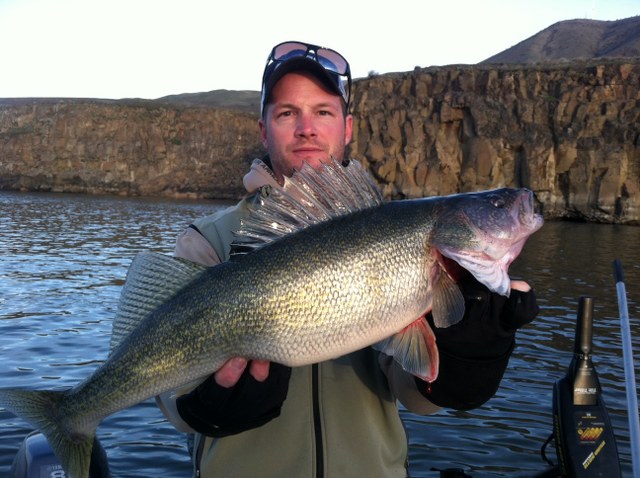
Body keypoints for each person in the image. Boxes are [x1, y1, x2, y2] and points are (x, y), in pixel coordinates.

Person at [155, 40, 539, 477]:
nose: (307, 128)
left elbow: (411, 392)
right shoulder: (207, 241)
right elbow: (168, 390)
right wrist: (199, 407)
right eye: (286, 113)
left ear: (347, 127)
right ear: (264, 130)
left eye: (323, 111)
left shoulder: (397, 235)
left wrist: (466, 363)